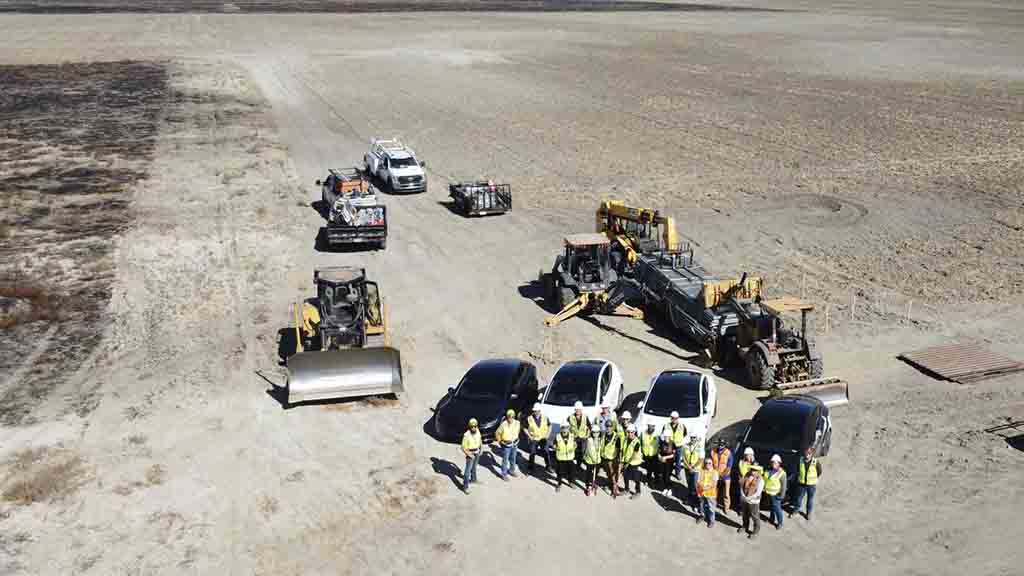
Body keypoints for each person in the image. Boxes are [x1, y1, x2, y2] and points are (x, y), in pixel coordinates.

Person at [791, 447, 822, 521]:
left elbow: (819, 471)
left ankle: (808, 513)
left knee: (810, 500)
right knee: (799, 498)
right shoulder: (801, 460)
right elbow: (798, 469)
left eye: (808, 454)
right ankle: (796, 510)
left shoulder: (815, 462)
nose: (807, 456)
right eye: (806, 454)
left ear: (811, 455)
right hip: (802, 484)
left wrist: (814, 479)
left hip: (811, 485)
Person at [738, 464, 764, 538]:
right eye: (752, 469)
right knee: (745, 514)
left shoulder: (761, 480)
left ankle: (755, 531)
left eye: (755, 470)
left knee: (755, 516)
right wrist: (743, 495)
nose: (753, 471)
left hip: (754, 502)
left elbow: (758, 493)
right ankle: (745, 526)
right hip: (744, 500)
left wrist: (749, 498)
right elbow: (741, 486)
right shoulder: (746, 475)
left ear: (758, 471)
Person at [494, 409, 521, 481]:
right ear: (507, 417)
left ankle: (512, 471)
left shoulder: (517, 423)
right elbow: (497, 433)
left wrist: (516, 438)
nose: (510, 418)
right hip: (506, 445)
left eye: (512, 417)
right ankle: (504, 474)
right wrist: (500, 441)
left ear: (514, 417)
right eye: (509, 417)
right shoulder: (503, 424)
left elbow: (518, 431)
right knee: (505, 460)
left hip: (514, 443)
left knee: (513, 458)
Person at [764, 454, 788, 529]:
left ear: (779, 463)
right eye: (772, 462)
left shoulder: (782, 473)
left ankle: (780, 523)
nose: (773, 464)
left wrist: (781, 496)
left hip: (776, 495)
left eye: (775, 463)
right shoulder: (768, 470)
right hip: (768, 493)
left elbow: (784, 486)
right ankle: (771, 519)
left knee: (777, 509)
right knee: (772, 507)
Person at [525, 403, 550, 473]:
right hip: (534, 438)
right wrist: (529, 436)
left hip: (543, 438)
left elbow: (549, 426)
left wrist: (547, 435)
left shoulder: (545, 417)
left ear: (540, 411)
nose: (536, 412)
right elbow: (524, 428)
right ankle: (530, 468)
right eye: (535, 411)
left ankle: (548, 466)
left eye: (537, 411)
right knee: (532, 453)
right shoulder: (529, 418)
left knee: (546, 451)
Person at [710, 439, 733, 515]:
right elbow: (710, 464)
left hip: (726, 476)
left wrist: (722, 475)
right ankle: (713, 505)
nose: (720, 446)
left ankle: (726, 508)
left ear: (725, 445)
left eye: (722, 444)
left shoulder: (728, 453)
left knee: (726, 494)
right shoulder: (713, 451)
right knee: (714, 492)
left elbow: (729, 466)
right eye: (719, 444)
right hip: (715, 475)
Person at [620, 425, 644, 499]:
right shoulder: (625, 439)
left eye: (631, 432)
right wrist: (622, 461)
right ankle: (626, 489)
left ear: (634, 432)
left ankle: (638, 492)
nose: (630, 433)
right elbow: (623, 450)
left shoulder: (637, 442)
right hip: (626, 460)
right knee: (625, 476)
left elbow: (634, 454)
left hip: (634, 462)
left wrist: (627, 463)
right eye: (628, 432)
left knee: (636, 478)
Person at [662, 411, 687, 478]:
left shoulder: (682, 426)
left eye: (676, 418)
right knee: (670, 460)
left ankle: (677, 473)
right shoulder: (666, 425)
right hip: (670, 445)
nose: (674, 419)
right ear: (671, 418)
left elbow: (684, 434)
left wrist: (678, 441)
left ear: (678, 418)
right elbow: (663, 433)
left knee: (678, 461)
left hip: (679, 446)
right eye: (673, 418)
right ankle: (668, 472)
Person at [696, 456, 719, 527]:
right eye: (706, 463)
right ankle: (702, 516)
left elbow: (714, 484)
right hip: (701, 492)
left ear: (712, 464)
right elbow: (698, 480)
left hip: (711, 494)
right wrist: (701, 487)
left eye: (709, 463)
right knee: (702, 506)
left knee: (711, 508)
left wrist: (706, 488)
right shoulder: (701, 471)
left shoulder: (715, 472)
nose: (708, 464)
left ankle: (712, 521)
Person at [461, 418, 483, 494]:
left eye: (474, 426)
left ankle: (473, 480)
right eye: (471, 426)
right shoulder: (466, 435)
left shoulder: (478, 431)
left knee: (474, 467)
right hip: (470, 453)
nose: (473, 428)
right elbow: (463, 447)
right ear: (469, 427)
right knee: (467, 470)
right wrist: (469, 455)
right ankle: (465, 487)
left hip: (477, 451)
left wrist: (481, 448)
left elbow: (480, 439)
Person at [682, 436, 703, 511]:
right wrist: (688, 466)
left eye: (694, 438)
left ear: (696, 438)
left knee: (695, 485)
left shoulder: (700, 447)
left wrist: (693, 467)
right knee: (689, 484)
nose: (692, 439)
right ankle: (690, 499)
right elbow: (683, 457)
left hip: (695, 469)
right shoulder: (686, 446)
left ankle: (696, 503)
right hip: (687, 468)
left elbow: (701, 459)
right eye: (691, 437)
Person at [568, 401, 591, 468]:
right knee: (574, 452)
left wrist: (587, 435)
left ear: (581, 410)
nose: (578, 411)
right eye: (576, 409)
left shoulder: (585, 417)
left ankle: (579, 465)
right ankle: (573, 466)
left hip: (583, 438)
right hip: (574, 438)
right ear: (575, 409)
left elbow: (589, 427)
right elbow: (566, 427)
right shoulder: (570, 417)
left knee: (582, 452)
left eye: (579, 409)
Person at [553, 423, 576, 492]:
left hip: (570, 457)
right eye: (563, 428)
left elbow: (575, 444)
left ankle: (570, 482)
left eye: (566, 428)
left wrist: (574, 447)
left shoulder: (572, 436)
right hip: (561, 457)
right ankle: (559, 484)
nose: (565, 429)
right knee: (560, 472)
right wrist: (555, 447)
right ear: (561, 429)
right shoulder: (557, 436)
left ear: (568, 428)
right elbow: (554, 445)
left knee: (571, 472)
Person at [601, 425, 621, 498]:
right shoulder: (603, 435)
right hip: (604, 458)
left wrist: (618, 459)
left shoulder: (616, 437)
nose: (608, 428)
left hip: (612, 459)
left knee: (613, 474)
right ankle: (610, 484)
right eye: (607, 426)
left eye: (610, 427)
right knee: (608, 473)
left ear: (612, 428)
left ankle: (615, 488)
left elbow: (618, 449)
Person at [583, 427, 604, 496]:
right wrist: (593, 459)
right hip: (590, 460)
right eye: (594, 432)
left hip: (597, 460)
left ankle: (593, 483)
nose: (595, 434)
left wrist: (600, 455)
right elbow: (589, 450)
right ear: (592, 433)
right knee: (589, 472)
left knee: (596, 472)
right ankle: (588, 485)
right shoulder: (589, 440)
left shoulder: (600, 440)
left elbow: (601, 449)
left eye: (597, 432)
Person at [736, 446, 756, 513]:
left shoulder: (755, 463)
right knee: (742, 496)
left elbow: (756, 473)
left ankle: (748, 510)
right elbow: (741, 471)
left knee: (749, 497)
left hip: (751, 482)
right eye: (747, 455)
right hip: (743, 481)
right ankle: (741, 509)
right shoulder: (741, 462)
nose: (748, 456)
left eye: (749, 455)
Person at [640, 422, 660, 489]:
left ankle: (657, 480)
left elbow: (660, 444)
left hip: (654, 455)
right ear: (648, 426)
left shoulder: (657, 434)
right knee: (648, 469)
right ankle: (649, 480)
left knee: (655, 469)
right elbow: (640, 442)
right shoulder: (643, 433)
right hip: (646, 455)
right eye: (649, 426)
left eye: (652, 426)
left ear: (654, 426)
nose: (651, 427)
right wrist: (641, 452)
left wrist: (659, 453)